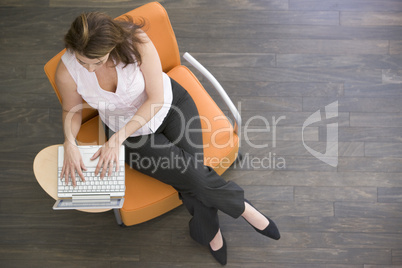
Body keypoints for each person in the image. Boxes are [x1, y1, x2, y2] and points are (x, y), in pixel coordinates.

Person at [56, 11, 280, 265]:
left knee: (193, 176)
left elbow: (155, 99)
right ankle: (244, 210)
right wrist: (69, 141)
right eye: (83, 62)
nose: (89, 68)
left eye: (96, 62)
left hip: (170, 107)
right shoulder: (67, 69)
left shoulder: (136, 42)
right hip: (131, 135)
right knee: (195, 175)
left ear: (112, 45)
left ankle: (209, 231)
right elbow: (70, 109)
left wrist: (116, 140)